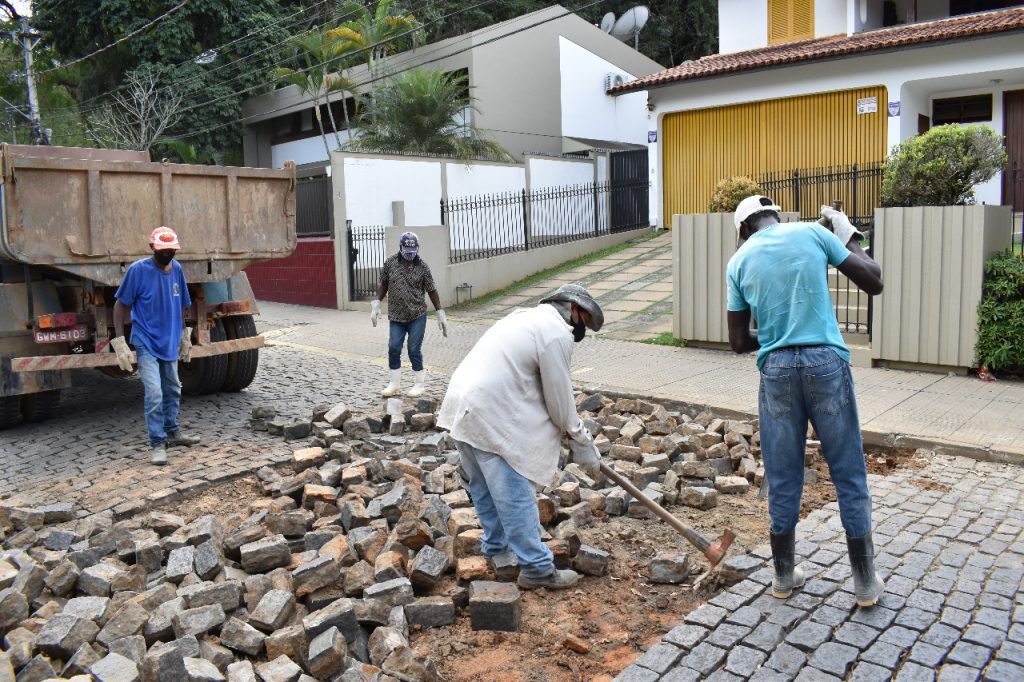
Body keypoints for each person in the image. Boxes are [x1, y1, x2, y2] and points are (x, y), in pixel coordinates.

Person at [726, 196, 886, 607]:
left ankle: (782, 577)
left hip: (776, 371)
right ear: (775, 215)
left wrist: (781, 336)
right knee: (848, 473)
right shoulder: (813, 232)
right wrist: (846, 231)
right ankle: (865, 583)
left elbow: (739, 342)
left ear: (743, 228)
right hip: (826, 365)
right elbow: (874, 280)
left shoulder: (739, 261)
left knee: (783, 476)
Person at [437, 284, 604, 590]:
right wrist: (582, 441)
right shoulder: (555, 332)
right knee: (514, 492)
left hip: (463, 405)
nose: (582, 329)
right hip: (489, 411)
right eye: (584, 320)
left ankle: (498, 552)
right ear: (573, 309)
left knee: (485, 487)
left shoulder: (521, 318)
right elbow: (560, 400)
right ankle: (537, 569)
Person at [111, 227, 201, 465]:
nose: (167, 254)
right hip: (146, 340)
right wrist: (120, 342)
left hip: (170, 340)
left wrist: (184, 335)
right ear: (152, 248)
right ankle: (157, 443)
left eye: (171, 250)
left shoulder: (177, 270)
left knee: (173, 388)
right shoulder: (138, 271)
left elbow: (183, 304)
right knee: (154, 393)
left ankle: (173, 431)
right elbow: (120, 306)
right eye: (162, 250)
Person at [371, 232, 448, 398]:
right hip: (396, 316)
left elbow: (432, 290)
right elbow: (384, 283)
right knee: (393, 347)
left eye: (413, 249)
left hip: (417, 315)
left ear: (417, 248)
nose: (410, 253)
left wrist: (440, 311)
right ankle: (394, 384)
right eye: (407, 249)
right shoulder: (390, 263)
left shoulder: (423, 267)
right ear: (400, 247)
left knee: (413, 349)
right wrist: (377, 302)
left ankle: (419, 384)